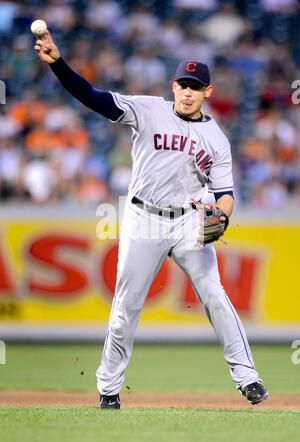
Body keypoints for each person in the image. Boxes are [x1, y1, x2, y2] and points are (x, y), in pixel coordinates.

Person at [34, 30, 268, 409]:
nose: (187, 92)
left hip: (189, 221)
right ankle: (109, 388)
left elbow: (225, 195)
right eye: (182, 85)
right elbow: (91, 97)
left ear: (208, 92)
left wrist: (221, 219)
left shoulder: (217, 139)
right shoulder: (147, 108)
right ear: (173, 86)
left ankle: (249, 379)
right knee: (126, 306)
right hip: (144, 217)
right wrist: (58, 64)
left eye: (195, 87)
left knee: (215, 295)